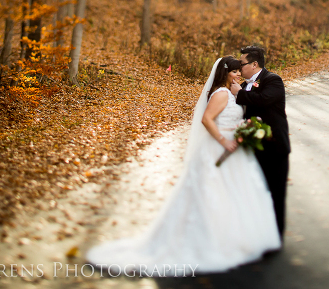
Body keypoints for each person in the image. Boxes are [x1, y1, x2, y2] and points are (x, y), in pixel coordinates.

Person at [86, 56, 281, 275]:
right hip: (218, 148)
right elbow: (207, 119)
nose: (238, 75)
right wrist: (224, 140)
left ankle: (234, 237)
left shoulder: (233, 93)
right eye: (234, 71)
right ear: (225, 73)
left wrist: (244, 127)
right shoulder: (221, 93)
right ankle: (210, 240)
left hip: (235, 152)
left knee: (235, 193)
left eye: (239, 71)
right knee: (214, 194)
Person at [230, 45, 290, 240]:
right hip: (252, 148)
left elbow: (263, 99)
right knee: (256, 193)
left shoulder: (273, 80)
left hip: (274, 148)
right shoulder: (243, 85)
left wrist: (239, 93)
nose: (239, 69)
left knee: (275, 193)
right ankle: (258, 235)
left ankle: (275, 239)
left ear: (255, 64)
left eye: (242, 64)